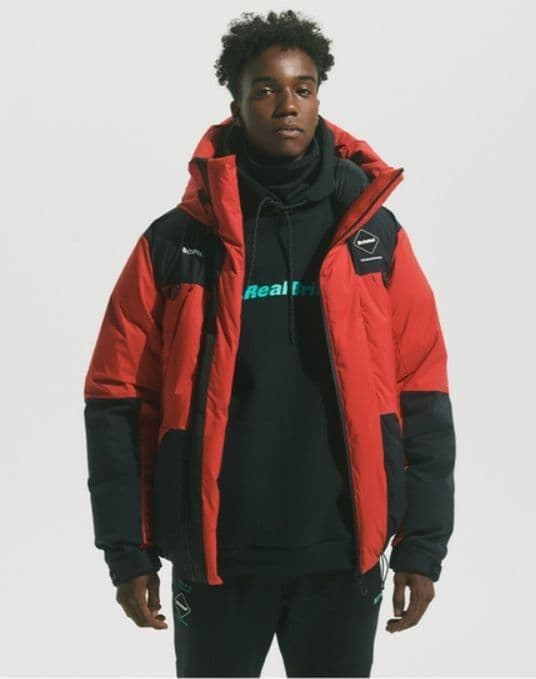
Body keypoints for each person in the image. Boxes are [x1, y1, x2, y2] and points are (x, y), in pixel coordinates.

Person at [83, 9, 456, 678]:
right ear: (235, 101)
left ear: (318, 98)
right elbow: (118, 399)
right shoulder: (176, 243)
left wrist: (421, 545)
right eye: (266, 89)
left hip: (343, 554)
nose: (287, 105)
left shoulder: (373, 236)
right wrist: (126, 550)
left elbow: (422, 390)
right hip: (217, 558)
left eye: (303, 88)